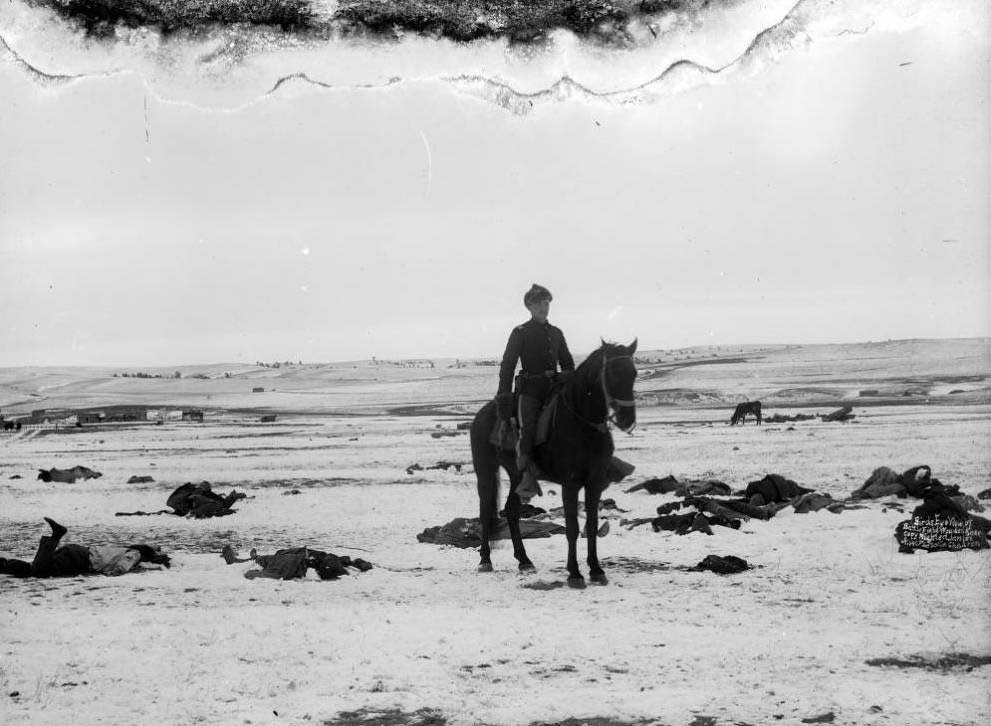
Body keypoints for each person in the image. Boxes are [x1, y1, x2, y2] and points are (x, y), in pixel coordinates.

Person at [497, 284, 575, 502]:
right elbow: (508, 365)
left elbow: (568, 365)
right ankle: (527, 479)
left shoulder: (556, 333)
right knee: (528, 430)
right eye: (539, 303)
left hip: (555, 391)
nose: (544, 307)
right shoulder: (520, 332)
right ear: (529, 307)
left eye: (547, 302)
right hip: (530, 391)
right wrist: (504, 396)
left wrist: (564, 377)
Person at [0, 518, 170, 578]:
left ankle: (4, 565)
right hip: (80, 560)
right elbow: (120, 568)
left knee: (35, 569)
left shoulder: (124, 549)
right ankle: (56, 535)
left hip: (77, 552)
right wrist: (107, 574)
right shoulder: (135, 554)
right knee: (39, 571)